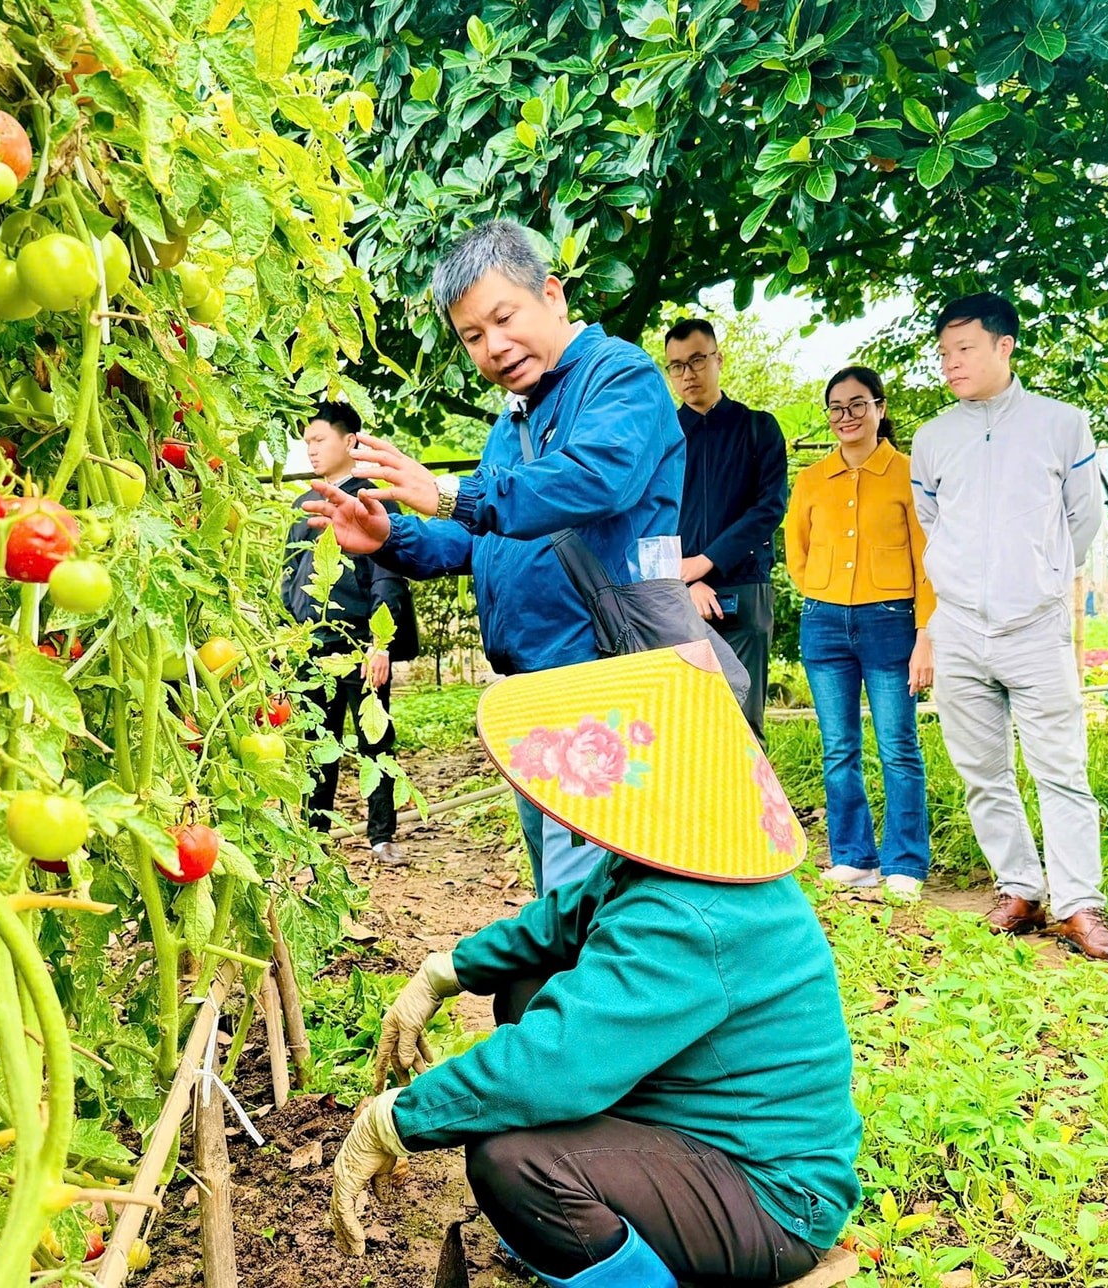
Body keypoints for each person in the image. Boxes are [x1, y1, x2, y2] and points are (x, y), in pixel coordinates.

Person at [326, 644, 862, 1288]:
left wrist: (400, 1118)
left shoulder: (687, 914)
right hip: (704, 1132)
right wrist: (447, 971)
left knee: (515, 1162)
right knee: (525, 985)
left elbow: (553, 1064)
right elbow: (562, 922)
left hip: (772, 1200)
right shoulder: (681, 857)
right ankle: (598, 1240)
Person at [300, 219, 683, 901]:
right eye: (473, 337)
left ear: (553, 295)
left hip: (607, 679)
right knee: (561, 893)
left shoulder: (620, 376)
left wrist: (450, 492)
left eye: (503, 318)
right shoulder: (513, 425)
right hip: (533, 688)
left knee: (591, 900)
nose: (494, 347)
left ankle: (588, 1005)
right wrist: (390, 536)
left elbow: (597, 478)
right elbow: (479, 539)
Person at [910, 293, 1108, 965]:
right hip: (960, 627)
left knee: (1061, 770)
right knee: (982, 772)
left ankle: (1079, 906)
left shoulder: (1062, 425)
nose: (951, 364)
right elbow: (933, 522)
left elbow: (1084, 519)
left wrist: (1035, 576)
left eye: (965, 350)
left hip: (1035, 628)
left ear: (1005, 347)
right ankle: (1021, 889)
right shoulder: (932, 437)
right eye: (945, 353)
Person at [786, 367, 934, 904]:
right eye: (836, 408)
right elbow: (796, 551)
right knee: (838, 748)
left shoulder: (908, 475)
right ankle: (853, 858)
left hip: (891, 621)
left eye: (857, 405)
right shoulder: (811, 480)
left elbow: (927, 562)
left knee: (898, 746)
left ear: (880, 408)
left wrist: (925, 632)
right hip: (824, 622)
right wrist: (823, 589)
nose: (846, 417)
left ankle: (904, 863)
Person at [281, 402, 418, 866]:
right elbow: (290, 573)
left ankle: (382, 836)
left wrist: (380, 645)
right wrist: (288, 630)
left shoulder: (373, 498)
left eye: (319, 440)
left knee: (373, 740)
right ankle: (313, 839)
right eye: (307, 444)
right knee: (316, 741)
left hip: (360, 643)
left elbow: (387, 576)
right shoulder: (304, 504)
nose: (311, 451)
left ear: (349, 441)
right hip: (311, 644)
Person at [663, 318, 789, 742]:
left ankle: (750, 809)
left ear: (718, 359)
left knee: (743, 722)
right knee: (687, 723)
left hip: (743, 589)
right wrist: (684, 580)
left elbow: (769, 509)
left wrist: (705, 562)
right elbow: (647, 517)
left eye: (697, 360)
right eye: (676, 366)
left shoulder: (757, 428)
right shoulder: (662, 437)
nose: (688, 374)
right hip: (674, 592)